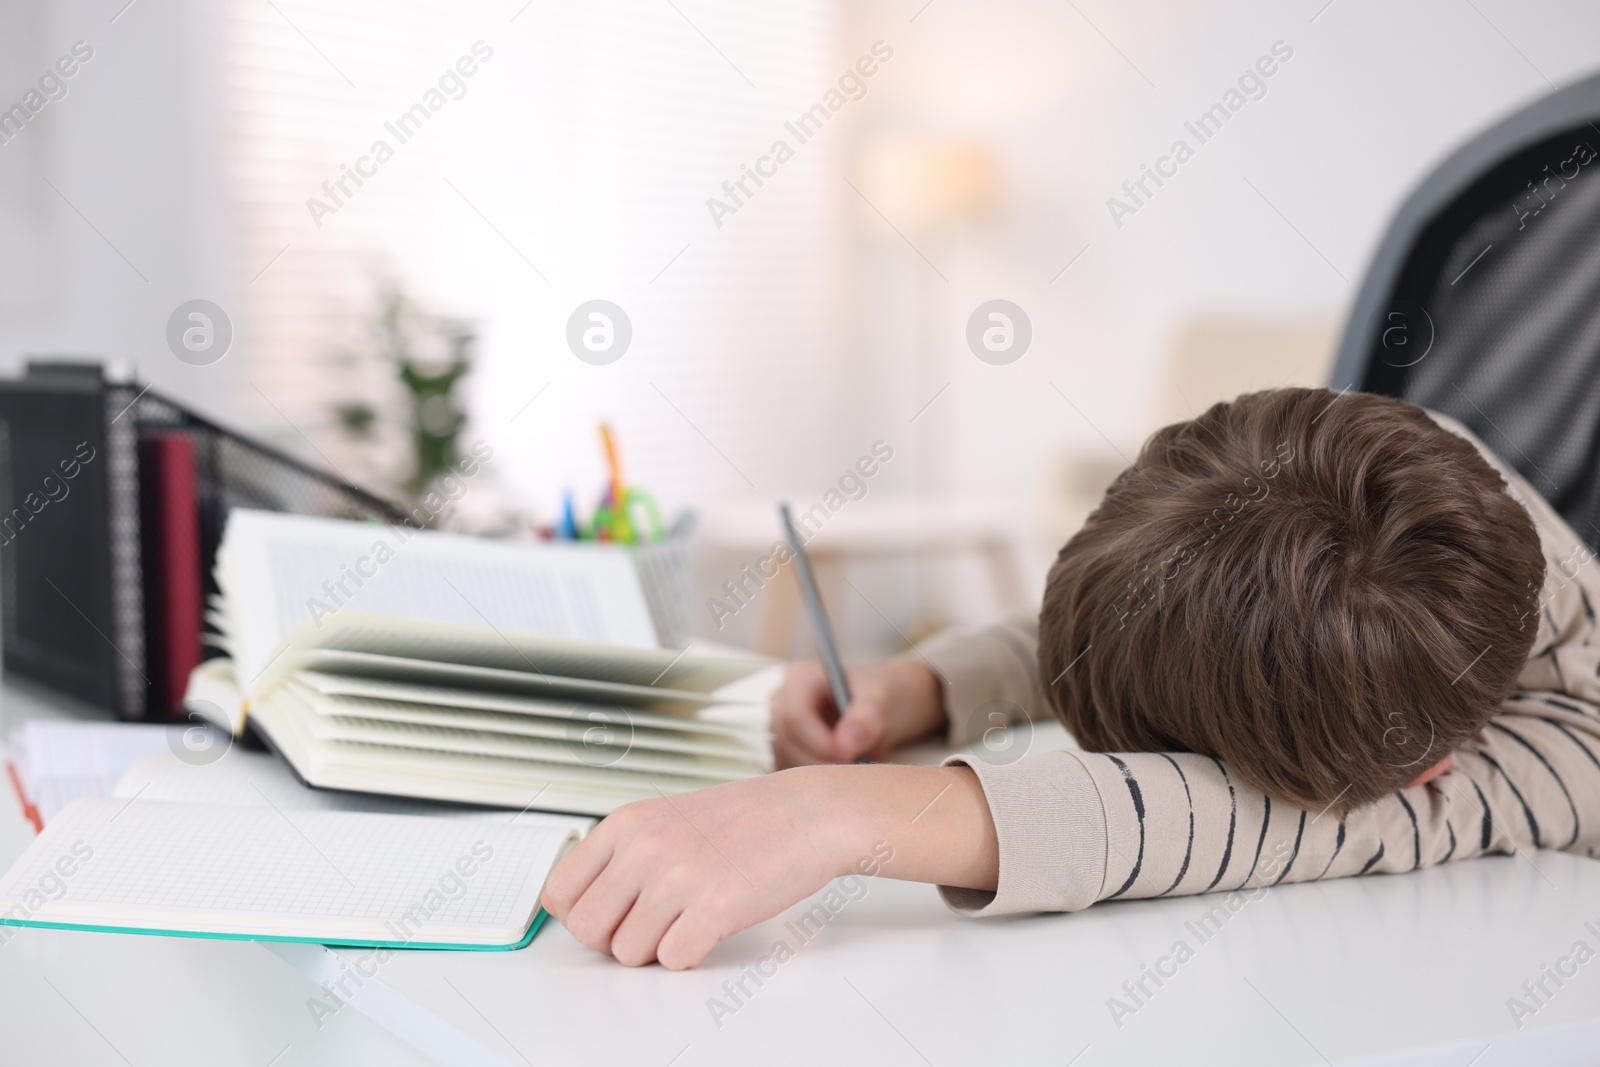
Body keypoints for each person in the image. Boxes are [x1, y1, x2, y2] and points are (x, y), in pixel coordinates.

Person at [542, 388, 1600, 970]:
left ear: (1426, 766)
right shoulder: (1366, 469)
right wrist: (920, 686)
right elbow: (1138, 620)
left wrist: (844, 811)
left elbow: (1248, 824)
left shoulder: (1574, 750)